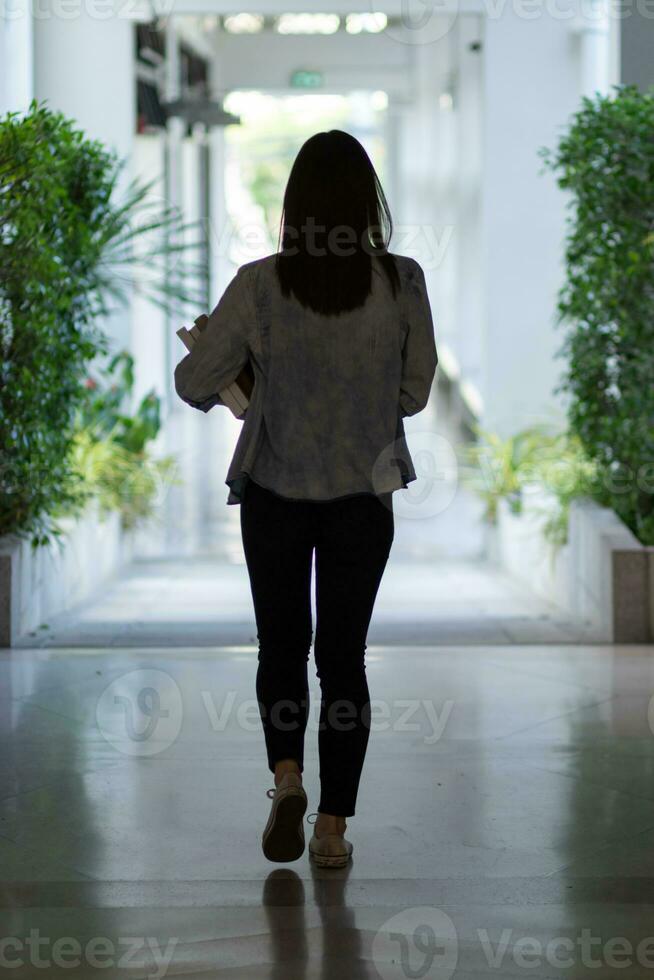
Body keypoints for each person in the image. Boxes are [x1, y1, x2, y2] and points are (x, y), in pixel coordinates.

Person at [174, 129, 437, 868]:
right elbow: (412, 394)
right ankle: (331, 829)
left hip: (276, 494)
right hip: (364, 494)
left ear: (294, 205)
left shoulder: (259, 284)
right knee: (344, 659)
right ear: (366, 204)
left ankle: (286, 778)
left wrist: (241, 376)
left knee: (282, 646)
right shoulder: (403, 281)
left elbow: (197, 383)